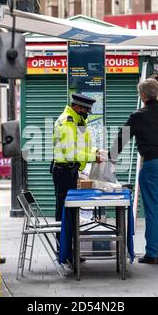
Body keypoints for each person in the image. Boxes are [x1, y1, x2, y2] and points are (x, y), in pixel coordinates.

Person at [109, 78, 158, 265]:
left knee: (152, 209)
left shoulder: (137, 116)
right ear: (157, 93)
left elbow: (121, 139)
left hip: (152, 164)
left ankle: (152, 254)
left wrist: (109, 158)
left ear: (142, 96)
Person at [52, 93, 104, 245]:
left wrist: (95, 151)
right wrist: (93, 157)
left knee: (71, 212)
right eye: (86, 111)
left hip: (69, 172)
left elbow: (80, 146)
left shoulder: (75, 121)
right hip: (64, 172)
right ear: (78, 107)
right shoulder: (68, 123)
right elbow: (70, 153)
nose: (87, 115)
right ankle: (64, 252)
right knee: (65, 212)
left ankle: (71, 252)